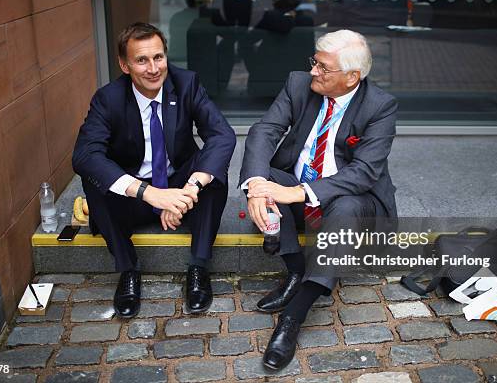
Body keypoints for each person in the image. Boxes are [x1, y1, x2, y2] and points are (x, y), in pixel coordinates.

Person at [239, 30, 397, 370]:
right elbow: (264, 131)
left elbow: (364, 173)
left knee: (345, 204)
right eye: (314, 62)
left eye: (323, 67)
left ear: (352, 77)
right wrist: (257, 186)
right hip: (299, 187)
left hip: (352, 202)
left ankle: (292, 319)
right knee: (265, 180)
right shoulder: (298, 84)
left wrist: (295, 193)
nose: (313, 71)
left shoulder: (379, 106)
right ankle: (296, 270)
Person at [72, 22, 236, 318]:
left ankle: (199, 266)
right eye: (141, 60)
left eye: (158, 57)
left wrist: (189, 190)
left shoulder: (186, 84)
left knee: (213, 175)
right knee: (96, 181)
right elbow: (84, 155)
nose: (153, 68)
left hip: (180, 185)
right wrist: (150, 194)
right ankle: (128, 270)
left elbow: (222, 135)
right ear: (124, 65)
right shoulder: (108, 99)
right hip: (134, 192)